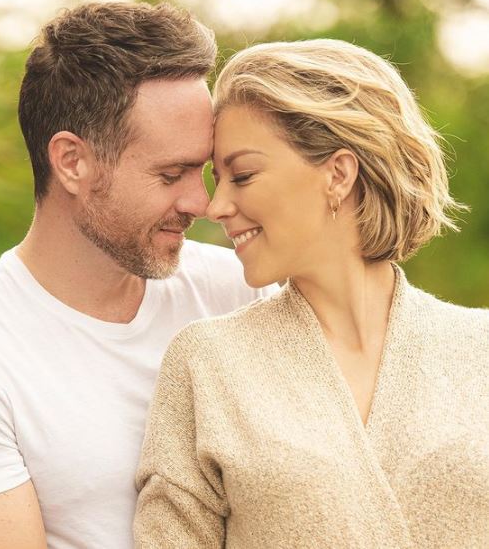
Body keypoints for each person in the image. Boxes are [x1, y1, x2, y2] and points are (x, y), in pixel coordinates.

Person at [0, 3, 275, 549]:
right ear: (72, 161)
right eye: (171, 174)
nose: (202, 202)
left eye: (203, 170)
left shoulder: (242, 290)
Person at [134, 39, 489, 548]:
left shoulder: (479, 349)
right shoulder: (207, 363)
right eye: (219, 180)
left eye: (242, 175)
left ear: (338, 174)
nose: (216, 206)